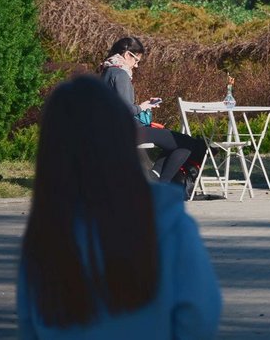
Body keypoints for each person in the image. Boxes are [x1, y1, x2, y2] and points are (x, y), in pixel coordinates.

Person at [18, 76, 221, 339]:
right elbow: (199, 316)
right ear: (122, 135)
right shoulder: (168, 221)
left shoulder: (42, 234)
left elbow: (28, 325)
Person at [100, 37, 205, 185]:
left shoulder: (107, 71)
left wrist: (144, 105)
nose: (136, 66)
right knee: (186, 144)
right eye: (136, 61)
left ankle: (155, 176)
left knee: (176, 142)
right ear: (127, 55)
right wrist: (142, 107)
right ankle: (161, 187)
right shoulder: (120, 75)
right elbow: (125, 109)